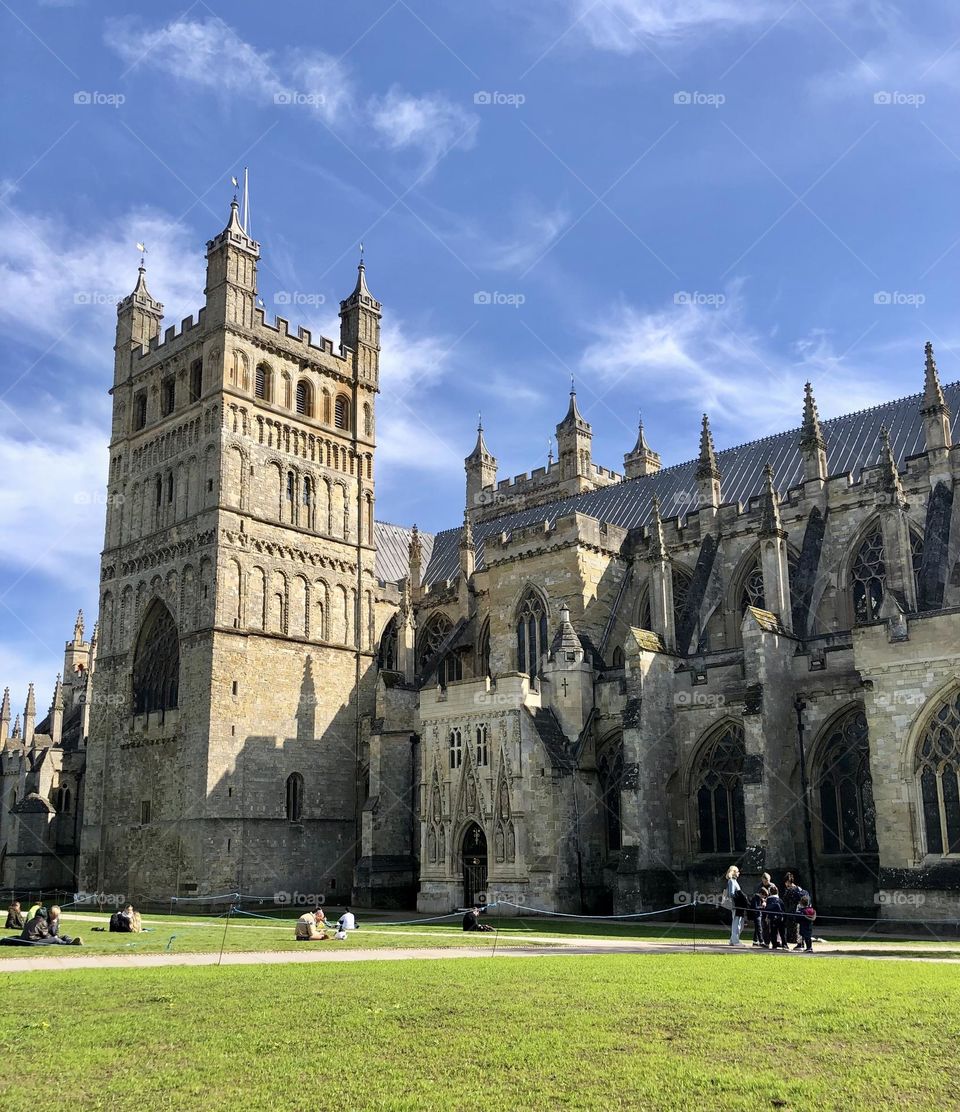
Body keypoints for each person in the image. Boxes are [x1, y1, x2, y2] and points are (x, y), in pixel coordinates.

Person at [725, 866, 749, 946]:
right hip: (736, 905)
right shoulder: (731, 881)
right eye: (737, 871)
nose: (739, 873)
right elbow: (731, 894)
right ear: (734, 872)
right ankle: (735, 941)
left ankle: (733, 940)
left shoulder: (735, 881)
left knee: (739, 923)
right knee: (736, 923)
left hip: (739, 905)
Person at [781, 874, 802, 947]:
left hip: (795, 911)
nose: (786, 884)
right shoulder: (787, 890)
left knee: (798, 929)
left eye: (787, 882)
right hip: (788, 911)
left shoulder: (797, 889)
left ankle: (800, 943)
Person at [765, 885, 786, 950]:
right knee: (782, 932)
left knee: (773, 932)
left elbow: (767, 909)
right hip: (780, 918)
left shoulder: (769, 900)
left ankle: (774, 944)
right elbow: (783, 909)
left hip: (772, 918)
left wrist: (767, 917)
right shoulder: (780, 900)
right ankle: (784, 944)